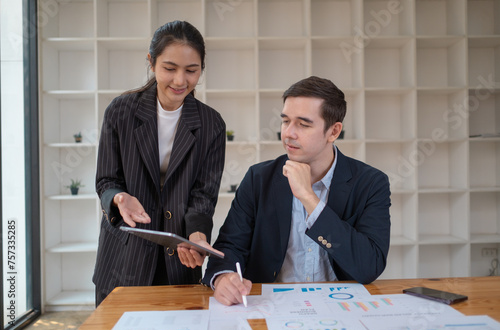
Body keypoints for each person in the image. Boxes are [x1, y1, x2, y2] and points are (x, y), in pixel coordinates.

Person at [202, 76, 391, 306]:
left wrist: (309, 199)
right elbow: (230, 247)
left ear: (333, 131)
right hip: (272, 307)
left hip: (342, 306)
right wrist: (223, 277)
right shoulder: (259, 178)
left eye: (303, 124)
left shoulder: (371, 183)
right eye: (285, 121)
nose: (288, 133)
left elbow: (368, 266)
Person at [93, 20, 225, 306]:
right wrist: (119, 198)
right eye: (170, 68)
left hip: (180, 261)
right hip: (123, 261)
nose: (180, 81)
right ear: (151, 63)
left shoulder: (211, 124)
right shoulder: (120, 112)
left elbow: (204, 195)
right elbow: (106, 180)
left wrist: (197, 235)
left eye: (191, 70)